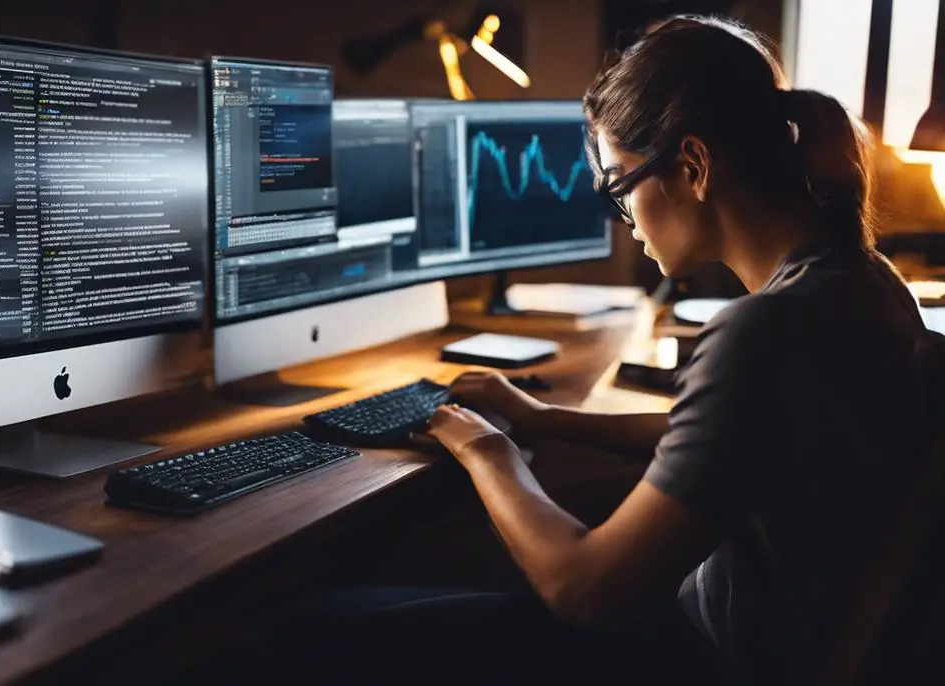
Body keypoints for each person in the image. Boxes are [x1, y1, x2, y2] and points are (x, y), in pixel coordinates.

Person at [197, 14, 934, 686]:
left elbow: (583, 590)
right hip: (777, 644)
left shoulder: (764, 331)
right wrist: (548, 420)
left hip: (703, 658)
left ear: (695, 166)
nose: (623, 221)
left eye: (619, 188)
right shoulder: (861, 283)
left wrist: (490, 452)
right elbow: (730, 441)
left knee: (314, 634)